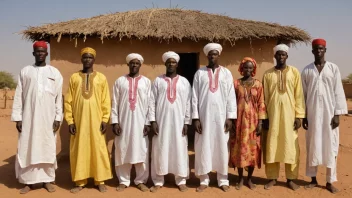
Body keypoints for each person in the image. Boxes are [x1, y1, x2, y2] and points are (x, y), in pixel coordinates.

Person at [11, 41, 63, 194]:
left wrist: (58, 117)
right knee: (28, 147)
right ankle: (28, 181)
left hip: (48, 118)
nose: (40, 53)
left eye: (43, 51)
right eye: (37, 51)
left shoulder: (55, 73)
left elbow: (58, 98)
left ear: (47, 53)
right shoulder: (25, 71)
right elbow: (19, 96)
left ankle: (47, 180)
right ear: (33, 53)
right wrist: (18, 118)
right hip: (28, 118)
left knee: (47, 147)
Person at [302, 38, 348, 194]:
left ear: (325, 50)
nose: (319, 51)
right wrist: (304, 116)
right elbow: (303, 95)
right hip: (313, 115)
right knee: (312, 146)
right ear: (312, 51)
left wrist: (337, 114)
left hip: (330, 116)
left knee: (331, 147)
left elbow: (338, 92)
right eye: (316, 49)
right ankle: (313, 179)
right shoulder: (307, 71)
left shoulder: (333, 69)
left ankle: (329, 181)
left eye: (321, 49)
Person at [64, 47, 112, 193]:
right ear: (81, 59)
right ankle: (80, 181)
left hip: (97, 121)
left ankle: (100, 180)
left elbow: (106, 100)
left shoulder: (101, 78)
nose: (87, 60)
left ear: (94, 59)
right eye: (85, 57)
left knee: (98, 149)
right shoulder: (74, 78)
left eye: (90, 57)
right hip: (79, 122)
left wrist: (105, 119)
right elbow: (68, 101)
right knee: (80, 149)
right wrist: (70, 121)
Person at [192, 43, 237, 192]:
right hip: (204, 117)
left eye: (215, 54)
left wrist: (230, 117)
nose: (212, 56)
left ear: (219, 55)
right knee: (203, 146)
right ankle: (204, 180)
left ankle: (222, 179)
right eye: (210, 54)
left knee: (221, 147)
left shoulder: (226, 73)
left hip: (221, 117)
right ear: (206, 56)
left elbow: (231, 96)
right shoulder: (200, 73)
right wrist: (196, 118)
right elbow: (194, 97)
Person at [262, 44, 305, 191]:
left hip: (290, 117)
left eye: (283, 54)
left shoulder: (294, 72)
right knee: (272, 145)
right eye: (278, 54)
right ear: (274, 56)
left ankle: (291, 179)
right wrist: (265, 117)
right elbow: (264, 98)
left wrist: (299, 116)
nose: (280, 57)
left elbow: (299, 95)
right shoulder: (267, 74)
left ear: (287, 56)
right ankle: (272, 178)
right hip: (272, 116)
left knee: (290, 147)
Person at [149, 51, 191, 193]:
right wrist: (153, 121)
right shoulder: (158, 81)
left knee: (179, 149)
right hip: (161, 122)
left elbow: (188, 103)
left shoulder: (184, 82)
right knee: (160, 148)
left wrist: (186, 122)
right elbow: (151, 102)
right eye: (169, 62)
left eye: (173, 62)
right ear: (165, 64)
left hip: (179, 122)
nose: (171, 64)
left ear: (177, 64)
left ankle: (181, 180)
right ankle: (158, 180)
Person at [111, 53, 150, 192]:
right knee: (123, 149)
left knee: (141, 150)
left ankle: (140, 180)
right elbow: (114, 103)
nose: (134, 65)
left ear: (140, 65)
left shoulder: (146, 82)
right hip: (123, 122)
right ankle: (124, 180)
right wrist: (115, 122)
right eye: (132, 63)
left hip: (141, 123)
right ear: (128, 64)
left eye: (137, 63)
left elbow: (150, 104)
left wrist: (148, 122)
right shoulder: (119, 81)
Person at [229, 57, 266, 190]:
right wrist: (231, 120)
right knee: (240, 150)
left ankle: (249, 179)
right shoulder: (236, 84)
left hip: (253, 124)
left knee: (252, 150)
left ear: (253, 69)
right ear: (242, 68)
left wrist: (260, 123)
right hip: (239, 123)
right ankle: (240, 179)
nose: (248, 70)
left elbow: (261, 104)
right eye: (246, 68)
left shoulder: (258, 85)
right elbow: (231, 103)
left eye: (250, 68)